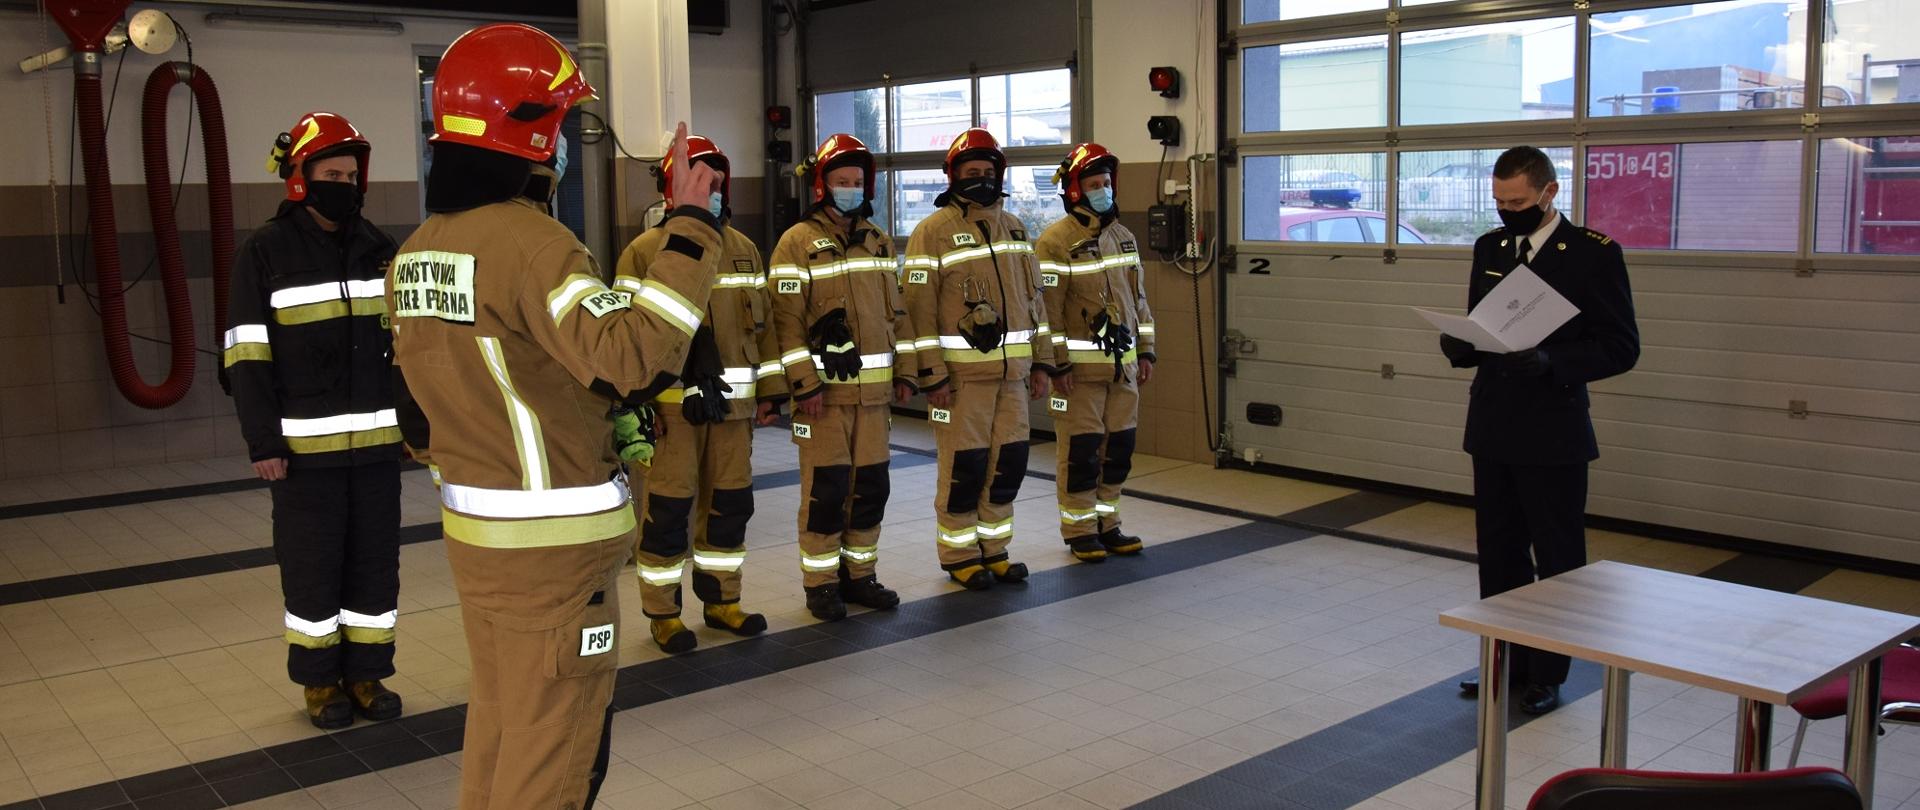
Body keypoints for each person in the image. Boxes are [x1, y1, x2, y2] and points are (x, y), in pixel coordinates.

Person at [386, 23, 721, 809]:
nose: (565, 141)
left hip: (481, 540)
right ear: (530, 129)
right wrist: (691, 226)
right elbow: (633, 356)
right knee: (558, 752)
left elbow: (440, 403)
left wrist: (580, 418)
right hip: (555, 554)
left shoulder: (419, 250)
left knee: (504, 728)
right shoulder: (536, 244)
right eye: (562, 124)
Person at [1444, 146, 1639, 715]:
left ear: (1549, 193)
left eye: (1519, 202)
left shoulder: (1592, 254)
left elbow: (1621, 346)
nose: (1508, 212)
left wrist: (1555, 363)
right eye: (1500, 201)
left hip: (1552, 428)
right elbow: (1485, 324)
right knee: (1498, 553)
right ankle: (1504, 660)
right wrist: (1460, 346)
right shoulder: (1490, 247)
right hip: (1495, 421)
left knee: (1555, 553)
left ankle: (1548, 673)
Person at [225, 111, 403, 730]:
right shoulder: (264, 252)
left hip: (378, 450)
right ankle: (320, 684)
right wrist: (262, 441)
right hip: (304, 457)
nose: (345, 184)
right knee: (312, 569)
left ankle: (366, 674)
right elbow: (244, 355)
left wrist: (414, 428)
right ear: (299, 177)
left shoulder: (382, 250)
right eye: (332, 173)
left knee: (375, 567)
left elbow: (405, 347)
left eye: (352, 174)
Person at [615, 135, 787, 652]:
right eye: (699, 182)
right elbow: (625, 339)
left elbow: (768, 329)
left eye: (716, 183)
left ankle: (722, 601)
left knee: (729, 507)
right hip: (671, 416)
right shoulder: (644, 252)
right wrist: (639, 411)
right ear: (674, 187)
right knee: (668, 513)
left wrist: (773, 392)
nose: (710, 191)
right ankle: (664, 613)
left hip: (733, 414)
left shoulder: (744, 250)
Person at [902, 128, 1059, 590]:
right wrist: (931, 375)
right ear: (952, 177)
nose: (981, 180)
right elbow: (917, 311)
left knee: (1007, 464)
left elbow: (1035, 303)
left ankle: (995, 548)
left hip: (1013, 377)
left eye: (988, 173)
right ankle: (959, 554)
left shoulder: (1014, 228)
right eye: (971, 173)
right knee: (964, 469)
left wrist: (1043, 362)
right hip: (961, 381)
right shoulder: (931, 233)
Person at [769, 133, 912, 620]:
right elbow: (784, 323)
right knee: (827, 491)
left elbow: (899, 317)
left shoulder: (878, 240)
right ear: (822, 186)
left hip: (873, 398)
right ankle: (821, 585)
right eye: (841, 181)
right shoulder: (795, 242)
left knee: (871, 489)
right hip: (824, 399)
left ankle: (860, 576)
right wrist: (803, 385)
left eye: (856, 181)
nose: (850, 189)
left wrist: (905, 374)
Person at [1034, 143, 1156, 563]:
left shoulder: (1123, 238)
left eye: (1106, 183)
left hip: (1122, 368)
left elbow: (1138, 301)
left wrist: (1147, 351)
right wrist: (1057, 363)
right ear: (1074, 190)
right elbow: (1047, 310)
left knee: (1117, 449)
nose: (1102, 190)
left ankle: (1109, 523)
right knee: (1082, 453)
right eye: (1093, 184)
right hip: (1079, 375)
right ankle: (1080, 529)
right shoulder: (1054, 242)